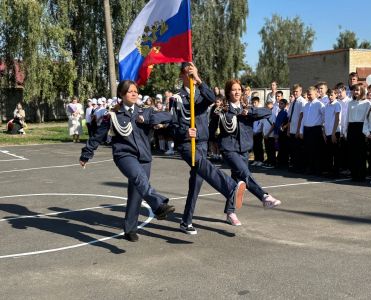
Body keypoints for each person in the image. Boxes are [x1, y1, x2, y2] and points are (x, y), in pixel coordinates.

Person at [79, 80, 175, 242]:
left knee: (137, 192)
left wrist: (149, 120)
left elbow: (168, 116)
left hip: (144, 157)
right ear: (122, 95)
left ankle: (129, 229)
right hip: (124, 156)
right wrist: (86, 153)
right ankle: (158, 205)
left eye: (135, 91)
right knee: (139, 178)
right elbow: (98, 135)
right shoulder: (113, 114)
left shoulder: (145, 111)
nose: (134, 94)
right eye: (130, 91)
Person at [170, 62, 246, 233]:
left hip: (202, 142)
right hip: (187, 144)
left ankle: (185, 221)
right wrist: (184, 131)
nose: (188, 74)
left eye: (192, 71)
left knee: (196, 182)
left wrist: (198, 79)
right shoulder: (177, 97)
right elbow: (172, 126)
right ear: (181, 75)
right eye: (186, 72)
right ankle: (230, 188)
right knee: (203, 165)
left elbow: (213, 99)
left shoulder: (201, 93)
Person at [217, 79, 281, 214]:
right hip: (229, 149)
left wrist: (249, 112)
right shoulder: (223, 109)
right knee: (245, 174)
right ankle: (264, 196)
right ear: (228, 92)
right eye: (234, 89)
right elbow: (211, 127)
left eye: (239, 89)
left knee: (237, 181)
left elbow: (268, 112)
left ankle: (230, 212)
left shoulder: (247, 108)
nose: (237, 92)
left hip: (244, 149)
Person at [344, 83, 371, 181]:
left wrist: (366, 132)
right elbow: (347, 117)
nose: (355, 92)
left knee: (361, 153)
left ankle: (361, 174)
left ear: (362, 91)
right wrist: (345, 130)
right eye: (354, 90)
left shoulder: (367, 103)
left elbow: (367, 119)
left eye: (358, 90)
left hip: (361, 128)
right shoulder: (350, 103)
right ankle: (354, 174)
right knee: (352, 152)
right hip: (352, 128)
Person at [298, 86, 325, 175]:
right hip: (307, 130)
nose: (309, 96)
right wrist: (301, 131)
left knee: (316, 151)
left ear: (315, 94)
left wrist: (323, 127)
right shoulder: (306, 105)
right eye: (308, 94)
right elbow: (303, 119)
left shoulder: (320, 104)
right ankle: (310, 168)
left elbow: (325, 117)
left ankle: (317, 169)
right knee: (308, 150)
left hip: (316, 130)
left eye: (310, 94)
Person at [287, 84, 306, 172]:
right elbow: (290, 117)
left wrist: (299, 130)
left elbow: (301, 117)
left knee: (298, 149)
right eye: (294, 91)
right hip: (292, 129)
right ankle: (294, 165)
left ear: (301, 91)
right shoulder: (293, 102)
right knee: (292, 149)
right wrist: (288, 129)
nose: (295, 93)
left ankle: (299, 167)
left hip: (298, 130)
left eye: (297, 91)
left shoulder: (302, 102)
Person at [323, 89, 342, 177]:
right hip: (327, 132)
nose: (330, 97)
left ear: (336, 95)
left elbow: (337, 119)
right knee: (328, 153)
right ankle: (330, 170)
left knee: (336, 153)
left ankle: (336, 171)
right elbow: (325, 120)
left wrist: (334, 133)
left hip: (335, 132)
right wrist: (324, 133)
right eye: (329, 95)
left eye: (332, 95)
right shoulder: (326, 106)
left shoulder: (337, 104)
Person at [273, 98, 289, 168]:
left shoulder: (285, 113)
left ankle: (283, 163)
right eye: (279, 103)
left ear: (285, 105)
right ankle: (280, 162)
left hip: (282, 132)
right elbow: (276, 123)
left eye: (282, 104)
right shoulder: (280, 112)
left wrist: (279, 130)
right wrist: (275, 132)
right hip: (278, 132)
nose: (280, 105)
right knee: (280, 148)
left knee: (283, 148)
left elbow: (283, 123)